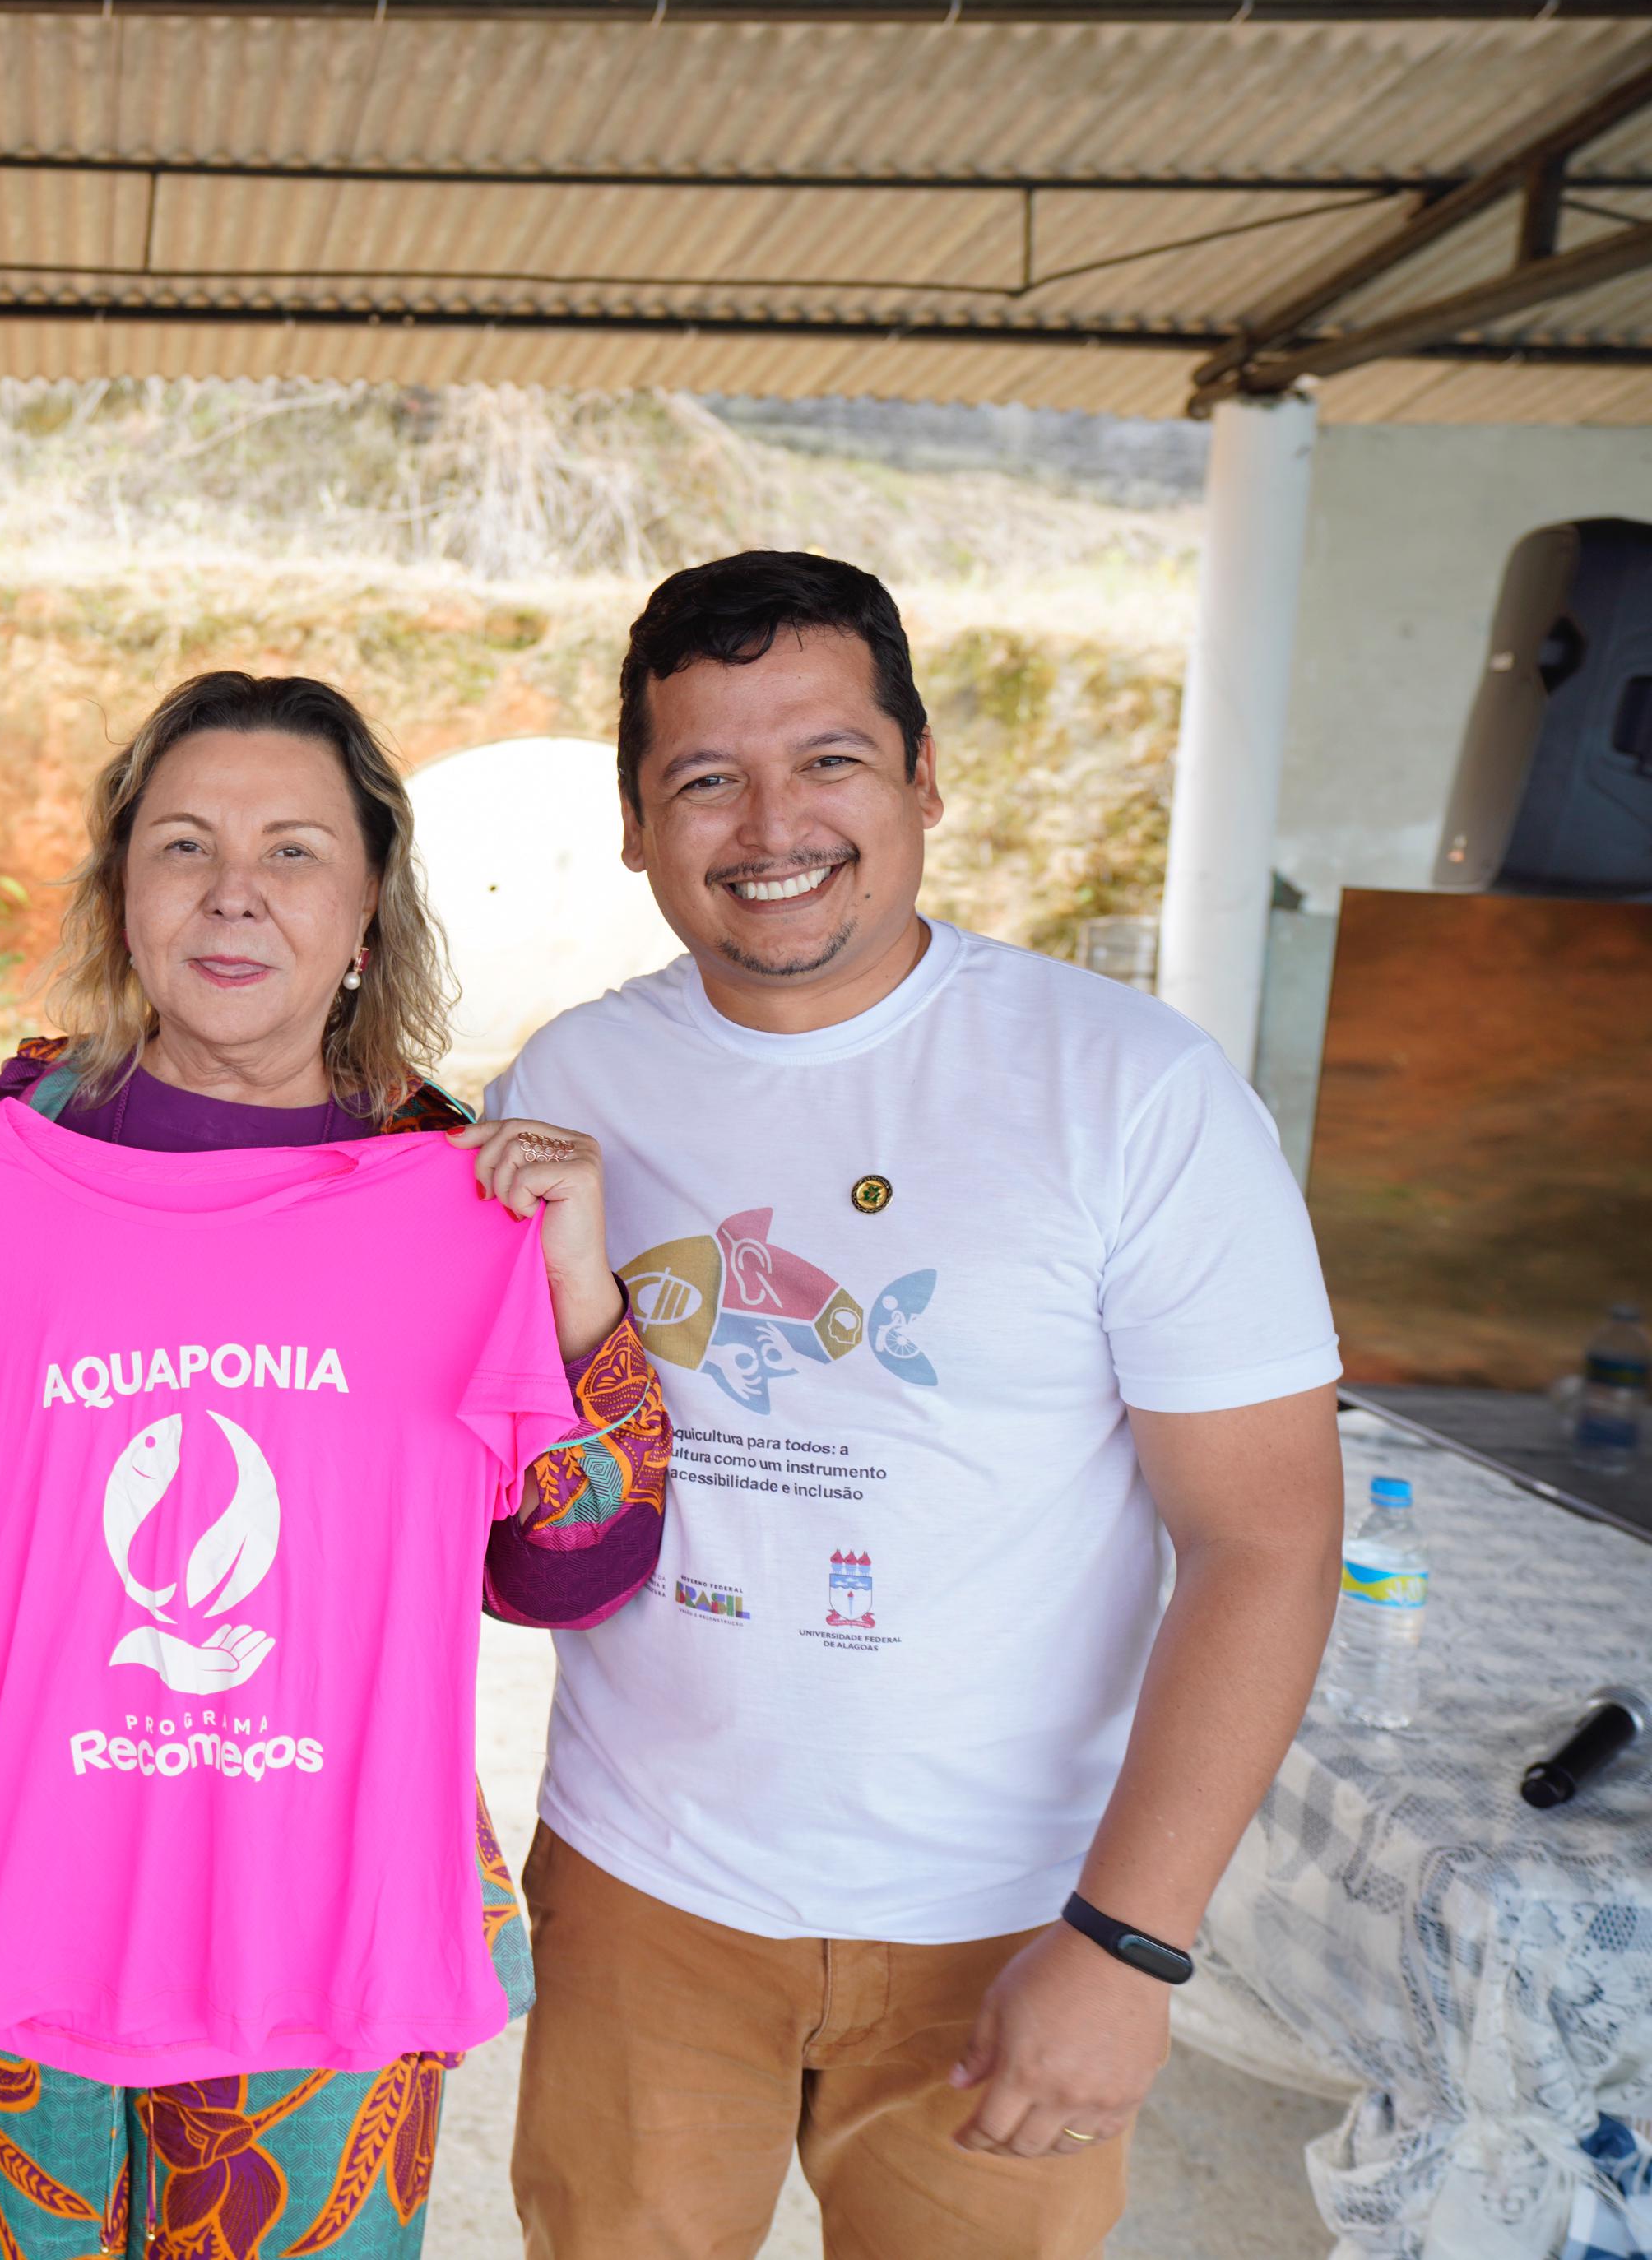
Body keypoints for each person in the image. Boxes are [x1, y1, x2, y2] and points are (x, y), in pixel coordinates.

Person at [489, 550, 1344, 2260]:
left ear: (923, 778)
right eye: (703, 777)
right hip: (644, 1891)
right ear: (637, 825)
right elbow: (507, 1474)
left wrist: (1125, 1943)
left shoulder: (1130, 1089)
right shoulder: (566, 1083)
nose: (766, 821)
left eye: (825, 759)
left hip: (1007, 1916)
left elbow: (1261, 1537)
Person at [0, 671, 671, 2260]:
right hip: (24, 1852)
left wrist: (572, 1293)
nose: (232, 893)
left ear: (367, 908)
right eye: (184, 845)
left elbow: (578, 1566)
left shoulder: (458, 1185)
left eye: (292, 852)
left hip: (320, 1881)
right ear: (121, 889)